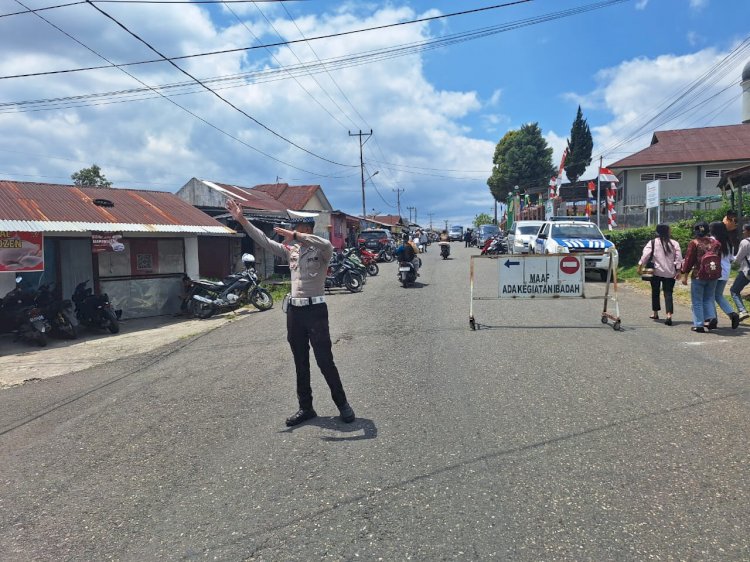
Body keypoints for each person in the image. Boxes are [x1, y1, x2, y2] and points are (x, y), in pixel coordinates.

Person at [226, 198, 355, 427]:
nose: (292, 232)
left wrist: (296, 237)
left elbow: (322, 245)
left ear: (305, 230)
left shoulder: (322, 248)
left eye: (296, 229)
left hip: (316, 311)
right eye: (293, 230)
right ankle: (306, 408)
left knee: (325, 360)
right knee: (300, 360)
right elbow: (263, 240)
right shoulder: (290, 251)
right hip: (295, 312)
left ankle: (342, 404)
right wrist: (242, 220)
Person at [637, 223, 682, 326]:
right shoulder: (674, 243)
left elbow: (645, 256)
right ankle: (669, 315)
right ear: (667, 231)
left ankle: (655, 313)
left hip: (655, 272)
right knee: (668, 293)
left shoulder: (652, 242)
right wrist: (678, 270)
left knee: (655, 292)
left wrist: (640, 266)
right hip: (670, 273)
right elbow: (678, 258)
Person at [680, 221, 721, 333]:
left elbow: (689, 260)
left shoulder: (694, 243)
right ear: (708, 230)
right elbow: (718, 259)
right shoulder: (716, 243)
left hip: (698, 275)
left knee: (697, 300)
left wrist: (685, 274)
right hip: (713, 275)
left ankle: (698, 324)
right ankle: (711, 318)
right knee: (709, 298)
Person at [709, 221, 741, 329]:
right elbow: (732, 258)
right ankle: (732, 313)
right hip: (726, 271)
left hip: (713, 271)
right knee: (718, 295)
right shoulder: (728, 242)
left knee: (710, 296)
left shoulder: (711, 240)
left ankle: (712, 318)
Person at [729, 223, 750, 322]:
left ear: (748, 231)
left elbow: (738, 258)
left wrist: (731, 263)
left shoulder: (745, 242)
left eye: (744, 230)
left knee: (734, 290)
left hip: (746, 271)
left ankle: (742, 311)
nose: (743, 232)